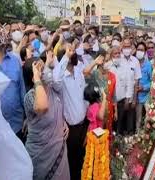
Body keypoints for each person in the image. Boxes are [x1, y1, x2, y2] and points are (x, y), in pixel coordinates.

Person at [23, 51, 70, 180]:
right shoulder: (30, 97)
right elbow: (43, 107)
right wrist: (37, 78)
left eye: (45, 67)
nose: (46, 71)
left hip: (59, 149)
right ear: (33, 77)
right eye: (41, 69)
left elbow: (59, 108)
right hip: (41, 155)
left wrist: (62, 122)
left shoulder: (52, 87)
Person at [53, 43, 88, 180]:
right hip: (70, 128)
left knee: (81, 157)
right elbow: (55, 80)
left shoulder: (78, 71)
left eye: (73, 51)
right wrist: (66, 57)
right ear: (64, 56)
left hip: (83, 124)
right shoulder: (60, 77)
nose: (73, 53)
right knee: (71, 161)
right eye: (69, 51)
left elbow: (84, 95)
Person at [83, 54, 117, 141]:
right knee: (98, 136)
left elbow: (114, 95)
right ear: (101, 62)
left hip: (109, 110)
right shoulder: (95, 74)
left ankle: (106, 152)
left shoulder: (112, 75)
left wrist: (115, 110)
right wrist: (94, 63)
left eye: (109, 60)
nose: (108, 63)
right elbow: (85, 73)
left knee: (108, 133)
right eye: (106, 60)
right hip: (97, 111)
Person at [120, 38, 142, 135]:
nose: (126, 48)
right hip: (119, 98)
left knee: (130, 125)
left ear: (131, 47)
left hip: (131, 97)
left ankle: (128, 143)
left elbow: (137, 80)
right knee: (119, 123)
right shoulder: (118, 59)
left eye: (128, 46)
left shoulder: (135, 61)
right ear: (122, 47)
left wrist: (134, 99)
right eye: (124, 46)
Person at [135, 42, 152, 132]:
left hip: (146, 96)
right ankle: (137, 135)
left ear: (145, 52)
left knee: (148, 118)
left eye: (141, 50)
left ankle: (145, 136)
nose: (139, 51)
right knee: (138, 118)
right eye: (138, 49)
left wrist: (144, 87)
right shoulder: (133, 63)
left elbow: (152, 81)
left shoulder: (148, 65)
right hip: (136, 97)